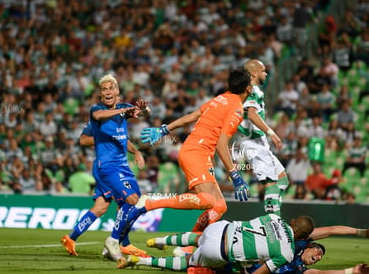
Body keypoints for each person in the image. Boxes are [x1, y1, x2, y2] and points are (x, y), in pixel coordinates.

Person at [133, 68, 253, 254]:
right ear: (248, 88)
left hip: (197, 152)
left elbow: (193, 115)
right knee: (206, 200)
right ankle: (151, 202)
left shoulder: (220, 98)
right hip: (196, 152)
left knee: (219, 205)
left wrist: (165, 129)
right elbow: (222, 145)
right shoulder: (236, 109)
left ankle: (187, 246)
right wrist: (235, 175)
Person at [61, 74, 149, 260]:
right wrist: (120, 116)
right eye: (104, 90)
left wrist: (142, 109)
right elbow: (85, 138)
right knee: (129, 201)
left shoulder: (124, 108)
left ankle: (71, 237)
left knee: (102, 207)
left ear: (117, 91)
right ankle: (120, 243)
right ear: (100, 94)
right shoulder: (97, 110)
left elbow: (127, 132)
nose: (108, 92)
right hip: (107, 166)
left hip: (122, 166)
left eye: (111, 88)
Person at [117, 213, 316, 273]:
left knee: (196, 238)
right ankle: (140, 261)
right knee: (187, 263)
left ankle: (159, 240)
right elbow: (260, 271)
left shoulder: (274, 216)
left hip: (223, 227)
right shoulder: (287, 253)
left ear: (292, 222)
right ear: (302, 238)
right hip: (220, 251)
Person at [235, 59, 289, 215]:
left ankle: (273, 217)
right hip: (253, 143)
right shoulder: (254, 91)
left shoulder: (243, 92)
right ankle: (274, 225)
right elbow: (251, 114)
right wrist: (272, 134)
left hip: (256, 142)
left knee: (282, 180)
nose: (266, 73)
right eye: (263, 70)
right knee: (271, 183)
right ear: (254, 73)